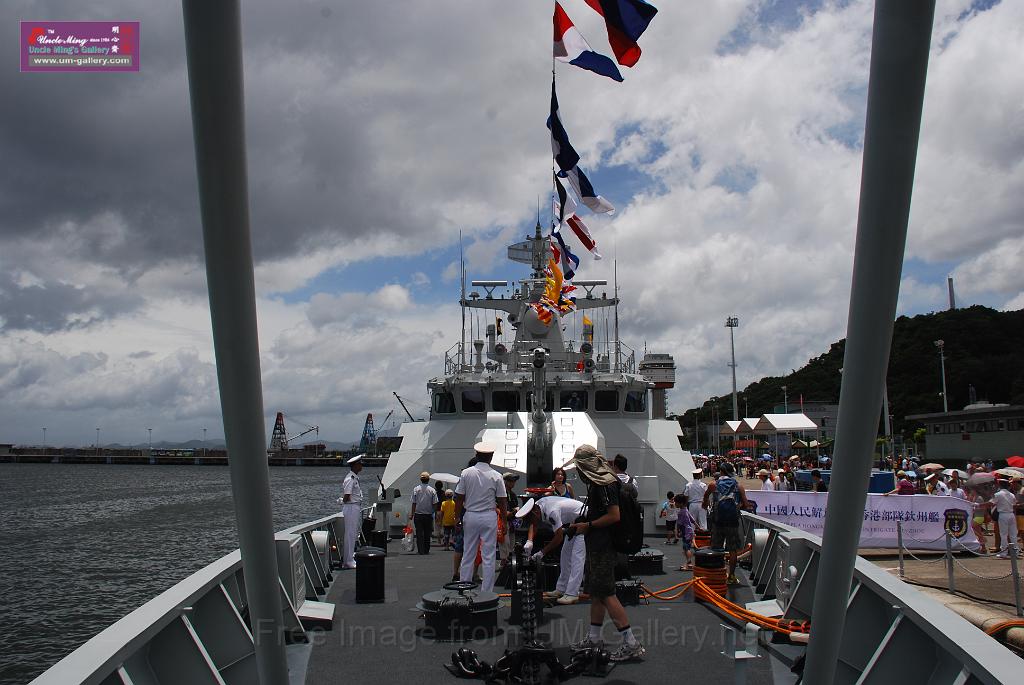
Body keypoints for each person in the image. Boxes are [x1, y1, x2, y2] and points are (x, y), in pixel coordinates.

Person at [566, 445, 645, 662]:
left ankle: (631, 643)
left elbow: (614, 515)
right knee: (597, 592)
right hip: (597, 543)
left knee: (607, 593)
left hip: (603, 545)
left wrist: (588, 525)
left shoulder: (604, 484)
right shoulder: (602, 482)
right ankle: (593, 637)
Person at [454, 442, 508, 592]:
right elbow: (502, 500)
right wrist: (504, 521)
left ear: (476, 455)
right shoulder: (497, 476)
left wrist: (457, 518)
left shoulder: (466, 473)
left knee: (468, 553)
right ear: (491, 457)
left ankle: (464, 588)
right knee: (488, 556)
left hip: (470, 516)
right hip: (489, 516)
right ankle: (487, 592)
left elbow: (459, 497)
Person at [521, 495, 588, 604]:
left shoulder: (552, 511)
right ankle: (561, 589)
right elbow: (534, 523)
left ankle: (572, 593)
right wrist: (530, 541)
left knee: (577, 558)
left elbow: (558, 537)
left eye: (532, 519)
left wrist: (542, 552)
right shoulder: (537, 505)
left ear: (535, 513)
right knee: (565, 555)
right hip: (573, 524)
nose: (533, 522)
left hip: (584, 521)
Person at [703, 462, 749, 585]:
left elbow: (706, 497)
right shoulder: (738, 486)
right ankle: (732, 576)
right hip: (732, 521)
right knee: (732, 550)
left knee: (716, 547)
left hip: (718, 521)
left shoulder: (714, 484)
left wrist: (705, 505)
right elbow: (746, 504)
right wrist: (738, 506)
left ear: (721, 472)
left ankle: (717, 574)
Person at [340, 454, 364, 569]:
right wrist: (342, 501)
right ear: (355, 465)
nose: (361, 465)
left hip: (353, 507)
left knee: (352, 533)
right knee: (350, 534)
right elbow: (347, 496)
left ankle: (349, 558)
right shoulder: (350, 479)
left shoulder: (354, 477)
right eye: (360, 463)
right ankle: (348, 561)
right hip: (351, 507)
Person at [410, 471, 439, 554]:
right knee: (427, 533)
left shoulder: (416, 489)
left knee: (419, 533)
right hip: (428, 515)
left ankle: (420, 550)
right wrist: (435, 514)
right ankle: (426, 550)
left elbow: (414, 503)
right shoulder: (432, 490)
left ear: (420, 479)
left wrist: (412, 514)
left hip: (418, 514)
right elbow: (435, 504)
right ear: (428, 479)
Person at [992, 478, 1020, 559]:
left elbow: (991, 503)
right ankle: (1015, 552)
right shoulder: (1012, 495)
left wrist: (979, 505)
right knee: (1013, 535)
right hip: (1011, 514)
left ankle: (1003, 552)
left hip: (1003, 515)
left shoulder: (998, 494)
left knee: (1003, 534)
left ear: (1000, 485)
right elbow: (1015, 505)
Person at [500, 472, 521, 562]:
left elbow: (515, 507)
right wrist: (506, 513)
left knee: (511, 543)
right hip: (502, 521)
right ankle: (503, 562)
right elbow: (496, 507)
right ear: (505, 481)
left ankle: (509, 562)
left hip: (511, 521)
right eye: (510, 481)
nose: (513, 483)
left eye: (514, 481)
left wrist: (515, 511)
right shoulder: (500, 493)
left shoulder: (513, 494)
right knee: (504, 543)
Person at [674, 493, 695, 571]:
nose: (675, 504)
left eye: (676, 502)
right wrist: (698, 527)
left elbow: (679, 524)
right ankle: (688, 562)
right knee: (686, 547)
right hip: (689, 531)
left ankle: (689, 563)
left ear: (681, 503)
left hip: (686, 532)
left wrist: (678, 532)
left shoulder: (681, 512)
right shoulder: (686, 510)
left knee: (686, 548)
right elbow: (692, 519)